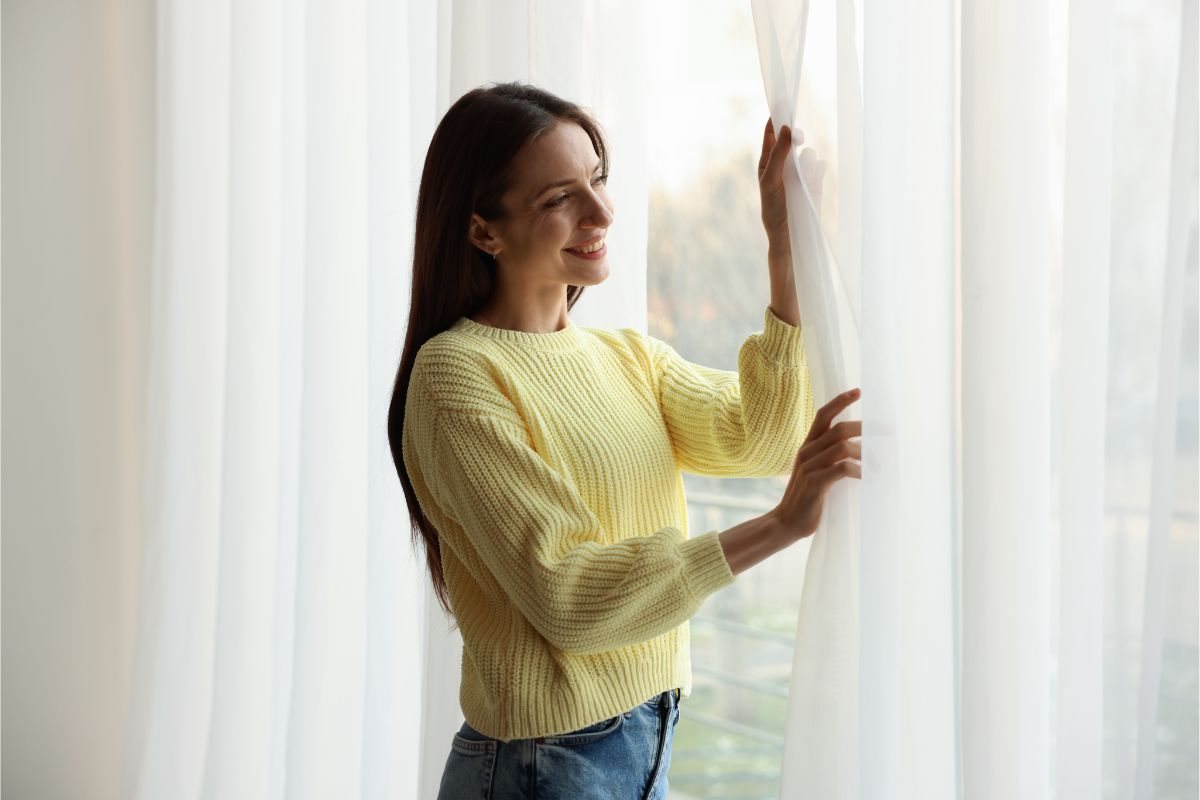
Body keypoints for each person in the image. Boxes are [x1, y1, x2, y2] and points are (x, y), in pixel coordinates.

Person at [386, 82, 861, 800]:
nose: (602, 212)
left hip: (645, 737)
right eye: (558, 199)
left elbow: (761, 438)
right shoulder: (456, 377)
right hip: (543, 767)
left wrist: (784, 258)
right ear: (485, 231)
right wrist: (778, 527)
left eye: (598, 180)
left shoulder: (626, 358)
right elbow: (566, 594)